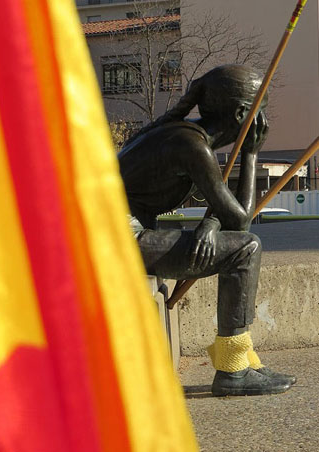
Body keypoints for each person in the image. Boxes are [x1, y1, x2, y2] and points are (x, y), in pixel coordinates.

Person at [118, 64, 295, 396]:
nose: (264, 123)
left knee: (241, 243)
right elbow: (241, 222)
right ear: (243, 113)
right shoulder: (192, 146)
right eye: (262, 113)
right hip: (118, 241)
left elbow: (225, 209)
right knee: (247, 249)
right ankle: (233, 370)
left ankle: (240, 359)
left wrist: (211, 223)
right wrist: (251, 154)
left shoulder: (184, 135)